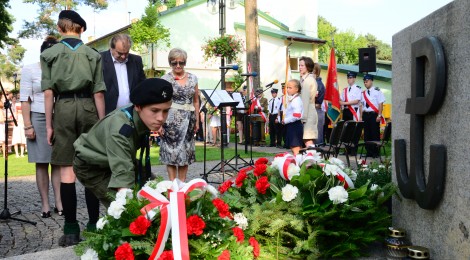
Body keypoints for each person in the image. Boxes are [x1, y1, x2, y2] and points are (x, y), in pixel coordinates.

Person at [41, 10, 105, 247]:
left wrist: (48, 125)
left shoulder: (50, 54)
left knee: (67, 171)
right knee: (89, 168)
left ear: (60, 29)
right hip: (89, 106)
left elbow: (48, 92)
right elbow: (99, 92)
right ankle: (93, 226)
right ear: (82, 29)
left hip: (64, 108)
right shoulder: (93, 54)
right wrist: (102, 124)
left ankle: (70, 230)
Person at [74, 78, 173, 207]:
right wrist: (133, 205)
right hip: (93, 166)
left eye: (165, 111)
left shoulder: (140, 115)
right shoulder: (121, 129)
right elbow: (124, 183)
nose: (161, 118)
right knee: (127, 209)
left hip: (119, 158)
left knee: (162, 194)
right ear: (138, 106)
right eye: (154, 111)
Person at [20, 36, 62, 218]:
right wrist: (28, 126)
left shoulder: (60, 70)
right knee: (42, 162)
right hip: (37, 116)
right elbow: (25, 99)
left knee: (59, 162)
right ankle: (45, 203)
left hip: (59, 117)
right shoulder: (29, 69)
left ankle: (59, 202)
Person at [160, 48, 199, 181]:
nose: (178, 66)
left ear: (185, 63)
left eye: (181, 63)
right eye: (174, 63)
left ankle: (182, 185)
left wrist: (197, 121)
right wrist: (159, 124)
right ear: (170, 63)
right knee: (171, 153)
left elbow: (196, 100)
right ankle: (172, 185)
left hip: (189, 119)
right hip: (170, 121)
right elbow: (160, 102)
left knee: (185, 152)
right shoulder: (165, 79)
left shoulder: (193, 78)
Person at [101, 34, 146, 115]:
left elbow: (142, 85)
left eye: (126, 53)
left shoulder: (136, 60)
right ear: (111, 48)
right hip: (108, 114)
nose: (123, 56)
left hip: (132, 113)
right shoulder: (99, 59)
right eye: (120, 53)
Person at [360, 74, 385, 157]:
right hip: (366, 115)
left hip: (374, 115)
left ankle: (375, 152)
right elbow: (362, 105)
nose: (365, 83)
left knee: (374, 133)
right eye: (364, 82)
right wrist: (361, 116)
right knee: (367, 134)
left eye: (366, 81)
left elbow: (380, 103)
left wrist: (379, 115)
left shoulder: (377, 91)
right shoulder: (363, 93)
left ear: (371, 81)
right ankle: (369, 152)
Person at [299, 56, 318, 148]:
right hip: (307, 111)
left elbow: (305, 100)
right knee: (306, 140)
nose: (300, 67)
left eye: (302, 65)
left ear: (308, 67)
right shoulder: (304, 79)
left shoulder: (308, 80)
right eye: (299, 65)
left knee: (308, 140)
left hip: (308, 113)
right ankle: (310, 160)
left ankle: (313, 161)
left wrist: (303, 117)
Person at [282, 79, 303, 156]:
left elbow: (297, 116)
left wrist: (286, 120)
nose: (287, 89)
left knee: (296, 148)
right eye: (287, 87)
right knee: (292, 147)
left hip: (295, 125)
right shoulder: (293, 99)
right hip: (291, 125)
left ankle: (299, 164)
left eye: (290, 88)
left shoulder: (296, 100)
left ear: (296, 89)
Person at [313, 63, 326, 145]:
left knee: (317, 138)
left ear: (315, 71)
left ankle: (318, 155)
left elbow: (316, 100)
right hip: (316, 110)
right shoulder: (316, 83)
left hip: (316, 110)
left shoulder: (317, 84)